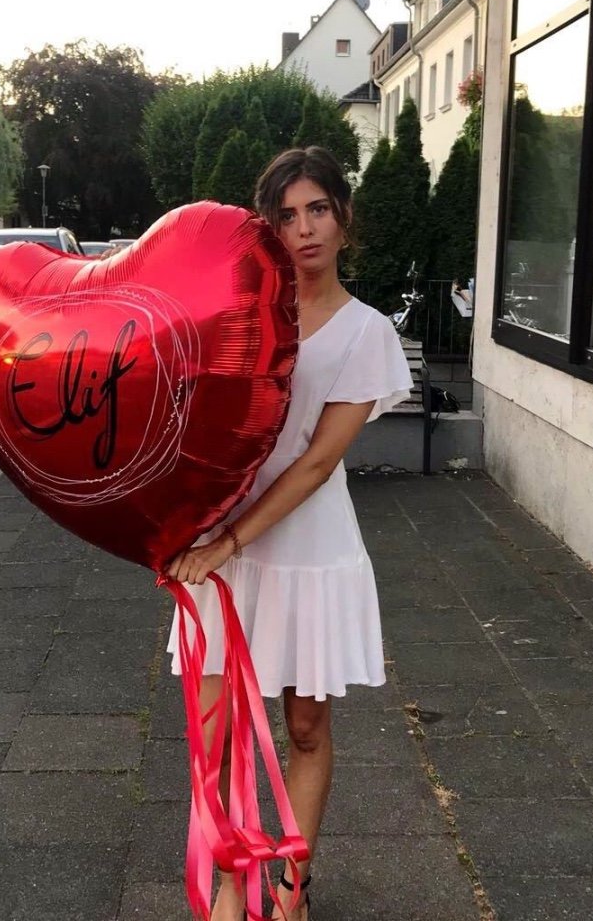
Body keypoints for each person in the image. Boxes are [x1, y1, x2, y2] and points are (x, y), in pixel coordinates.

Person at [166, 146, 413, 921]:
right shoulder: (238, 312)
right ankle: (232, 879)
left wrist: (227, 542)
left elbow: (314, 465)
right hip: (222, 545)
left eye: (318, 210)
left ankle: (291, 888)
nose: (304, 229)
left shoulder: (366, 333)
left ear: (344, 218)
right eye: (286, 215)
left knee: (305, 727)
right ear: (267, 228)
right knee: (216, 734)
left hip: (307, 548)